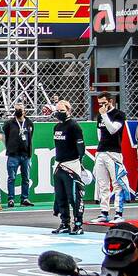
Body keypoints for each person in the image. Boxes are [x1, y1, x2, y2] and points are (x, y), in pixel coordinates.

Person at [51, 100, 85, 235]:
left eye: (62, 111)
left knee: (74, 197)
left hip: (71, 165)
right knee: (60, 196)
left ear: (69, 111)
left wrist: (78, 163)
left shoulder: (74, 126)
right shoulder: (56, 127)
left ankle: (78, 224)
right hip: (58, 164)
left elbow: (81, 147)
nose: (59, 113)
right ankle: (65, 222)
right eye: (57, 110)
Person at [93, 92, 128, 224]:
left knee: (117, 183)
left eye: (104, 103)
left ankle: (118, 213)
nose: (102, 106)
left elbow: (113, 129)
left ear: (110, 101)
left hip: (114, 152)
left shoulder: (119, 114)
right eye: (100, 103)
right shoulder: (99, 116)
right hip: (101, 151)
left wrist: (104, 115)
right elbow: (99, 133)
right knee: (102, 184)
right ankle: (104, 212)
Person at [3, 102, 35, 208]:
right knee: (11, 177)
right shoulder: (9, 123)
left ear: (24, 110)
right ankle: (11, 199)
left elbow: (30, 137)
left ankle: (24, 198)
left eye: (20, 109)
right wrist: (10, 147)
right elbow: (5, 136)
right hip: (13, 154)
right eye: (16, 109)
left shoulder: (29, 123)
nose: (18, 111)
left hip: (26, 154)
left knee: (26, 177)